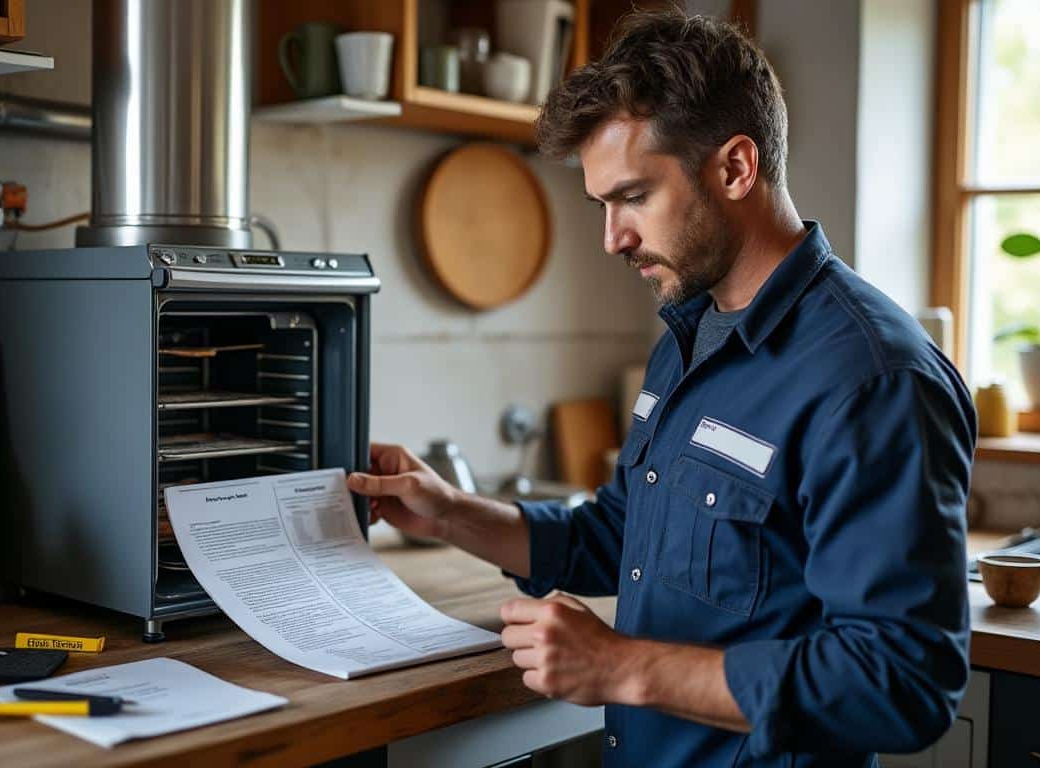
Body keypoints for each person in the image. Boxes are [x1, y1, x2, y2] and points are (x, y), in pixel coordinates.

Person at [347, 10, 976, 768]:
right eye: (602, 204)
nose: (612, 236)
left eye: (633, 197)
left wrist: (621, 667)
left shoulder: (872, 380)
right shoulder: (689, 333)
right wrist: (449, 514)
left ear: (737, 169)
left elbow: (901, 681)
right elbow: (621, 540)